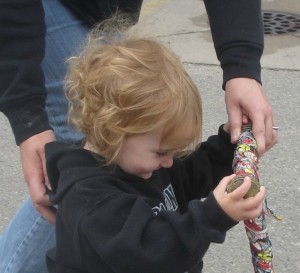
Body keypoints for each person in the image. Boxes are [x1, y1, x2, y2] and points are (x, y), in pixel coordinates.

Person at [0, 0, 277, 272]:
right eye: (161, 152)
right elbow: (152, 252)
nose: (170, 162)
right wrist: (214, 215)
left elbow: (188, 176)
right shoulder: (90, 198)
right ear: (113, 131)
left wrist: (230, 147)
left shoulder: (139, 161)